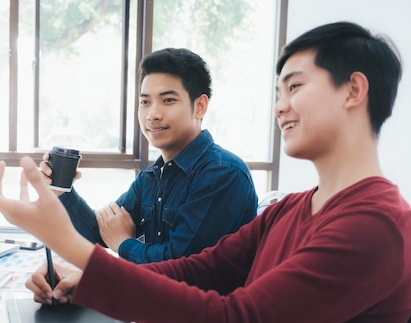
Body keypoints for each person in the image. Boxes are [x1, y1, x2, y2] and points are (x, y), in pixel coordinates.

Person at [0, 21, 411, 323]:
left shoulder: (376, 227)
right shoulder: (295, 207)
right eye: (277, 92)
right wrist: (84, 276)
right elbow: (201, 268)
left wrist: (83, 253)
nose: (279, 107)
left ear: (353, 90)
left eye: (294, 87)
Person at [40, 48, 258, 265]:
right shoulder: (153, 176)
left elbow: (178, 265)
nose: (152, 114)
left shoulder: (222, 173)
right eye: (145, 102)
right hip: (152, 297)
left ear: (199, 106)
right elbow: (100, 232)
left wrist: (123, 244)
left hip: (191, 299)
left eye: (168, 100)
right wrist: (62, 191)